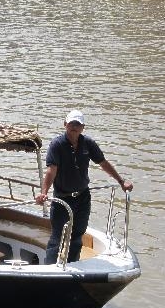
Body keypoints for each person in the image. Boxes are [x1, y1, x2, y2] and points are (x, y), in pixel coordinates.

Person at [35, 110, 133, 264]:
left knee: (78, 236)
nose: (74, 127)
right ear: (65, 124)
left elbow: (103, 163)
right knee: (57, 238)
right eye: (72, 123)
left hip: (82, 197)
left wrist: (121, 182)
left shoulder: (88, 143)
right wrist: (44, 193)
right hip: (62, 199)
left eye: (78, 124)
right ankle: (49, 269)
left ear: (83, 127)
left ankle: (74, 265)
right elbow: (51, 170)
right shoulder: (57, 144)